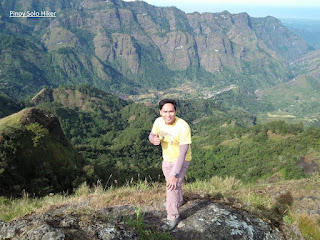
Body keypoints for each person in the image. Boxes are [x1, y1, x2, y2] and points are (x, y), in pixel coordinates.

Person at [149, 99, 192, 231]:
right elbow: (151, 135)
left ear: (176, 112)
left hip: (181, 160)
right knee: (174, 186)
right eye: (165, 111)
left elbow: (183, 153)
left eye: (171, 111)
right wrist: (153, 140)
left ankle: (173, 217)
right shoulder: (158, 121)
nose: (168, 115)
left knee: (171, 186)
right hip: (166, 159)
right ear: (160, 112)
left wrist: (175, 174)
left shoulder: (183, 126)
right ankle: (176, 202)